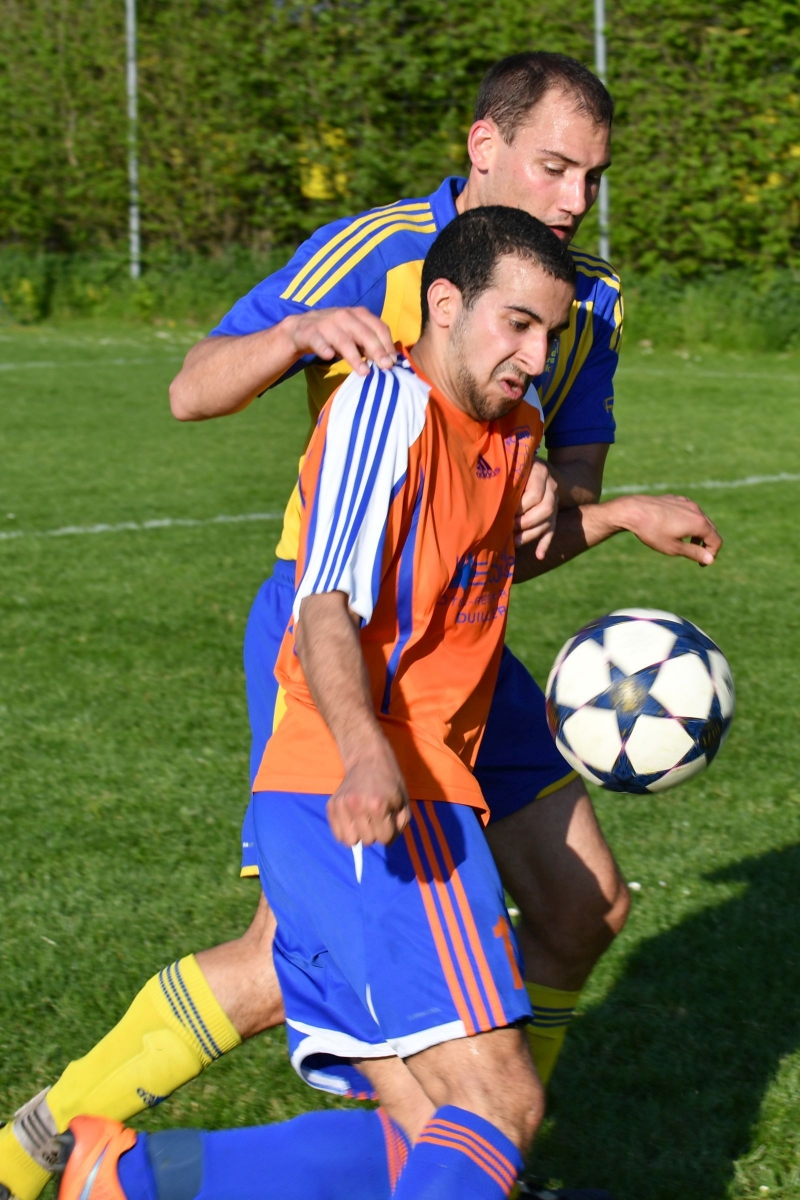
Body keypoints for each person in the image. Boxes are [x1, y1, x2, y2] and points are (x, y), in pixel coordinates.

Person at [0, 52, 721, 1200]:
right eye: (551, 166)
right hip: (338, 646)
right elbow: (193, 390)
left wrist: (594, 507)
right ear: (482, 147)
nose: (574, 198)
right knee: (296, 961)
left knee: (583, 908)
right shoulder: (378, 257)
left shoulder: (580, 304)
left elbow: (533, 513)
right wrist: (297, 337)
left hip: (461, 644)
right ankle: (49, 1142)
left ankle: (460, 1154)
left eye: (591, 176)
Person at [58, 202, 578, 1200]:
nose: (535, 352)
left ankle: (129, 1178)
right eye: (516, 322)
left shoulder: (510, 429)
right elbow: (323, 600)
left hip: (390, 793)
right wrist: (362, 748)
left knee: (421, 1132)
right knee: (497, 1103)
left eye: (549, 333)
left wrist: (619, 514)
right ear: (442, 302)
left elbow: (468, 578)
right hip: (378, 792)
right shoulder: (386, 407)